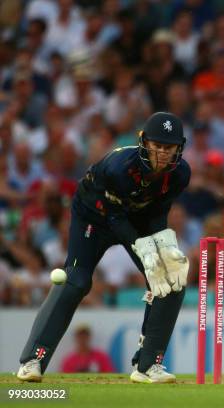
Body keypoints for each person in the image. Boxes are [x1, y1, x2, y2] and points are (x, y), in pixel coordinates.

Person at [16, 112, 191, 384]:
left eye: (168, 148)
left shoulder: (180, 174)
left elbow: (158, 211)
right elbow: (114, 217)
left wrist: (162, 246)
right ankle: (32, 360)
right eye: (157, 146)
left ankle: (148, 365)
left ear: (179, 148)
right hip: (94, 217)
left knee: (169, 280)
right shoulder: (119, 167)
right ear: (144, 143)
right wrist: (141, 246)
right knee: (76, 280)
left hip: (137, 218)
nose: (162, 154)